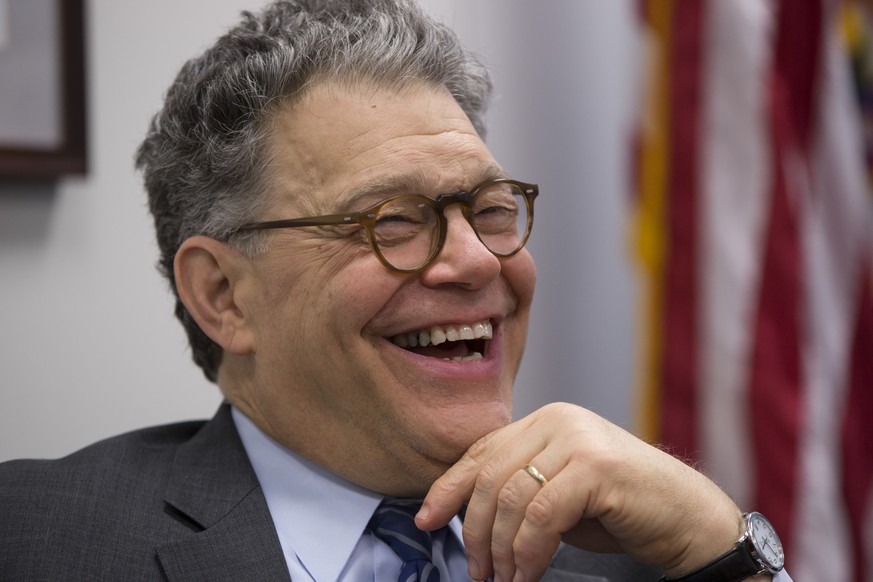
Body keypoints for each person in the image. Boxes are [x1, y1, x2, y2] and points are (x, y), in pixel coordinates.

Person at [0, 1, 793, 581]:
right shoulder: (35, 539)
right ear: (223, 295)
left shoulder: (644, 560)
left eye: (488, 210)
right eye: (394, 220)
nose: (477, 262)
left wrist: (724, 546)